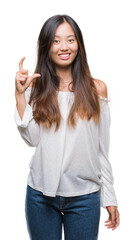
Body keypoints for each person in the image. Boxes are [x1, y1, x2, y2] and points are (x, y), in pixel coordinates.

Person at [14, 14, 120, 240]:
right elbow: (32, 139)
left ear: (79, 44)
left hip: (85, 197)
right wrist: (20, 95)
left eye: (70, 40)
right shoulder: (38, 89)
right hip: (40, 196)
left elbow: (102, 150)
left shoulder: (96, 89)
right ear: (46, 46)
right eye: (56, 40)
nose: (64, 47)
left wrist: (109, 198)